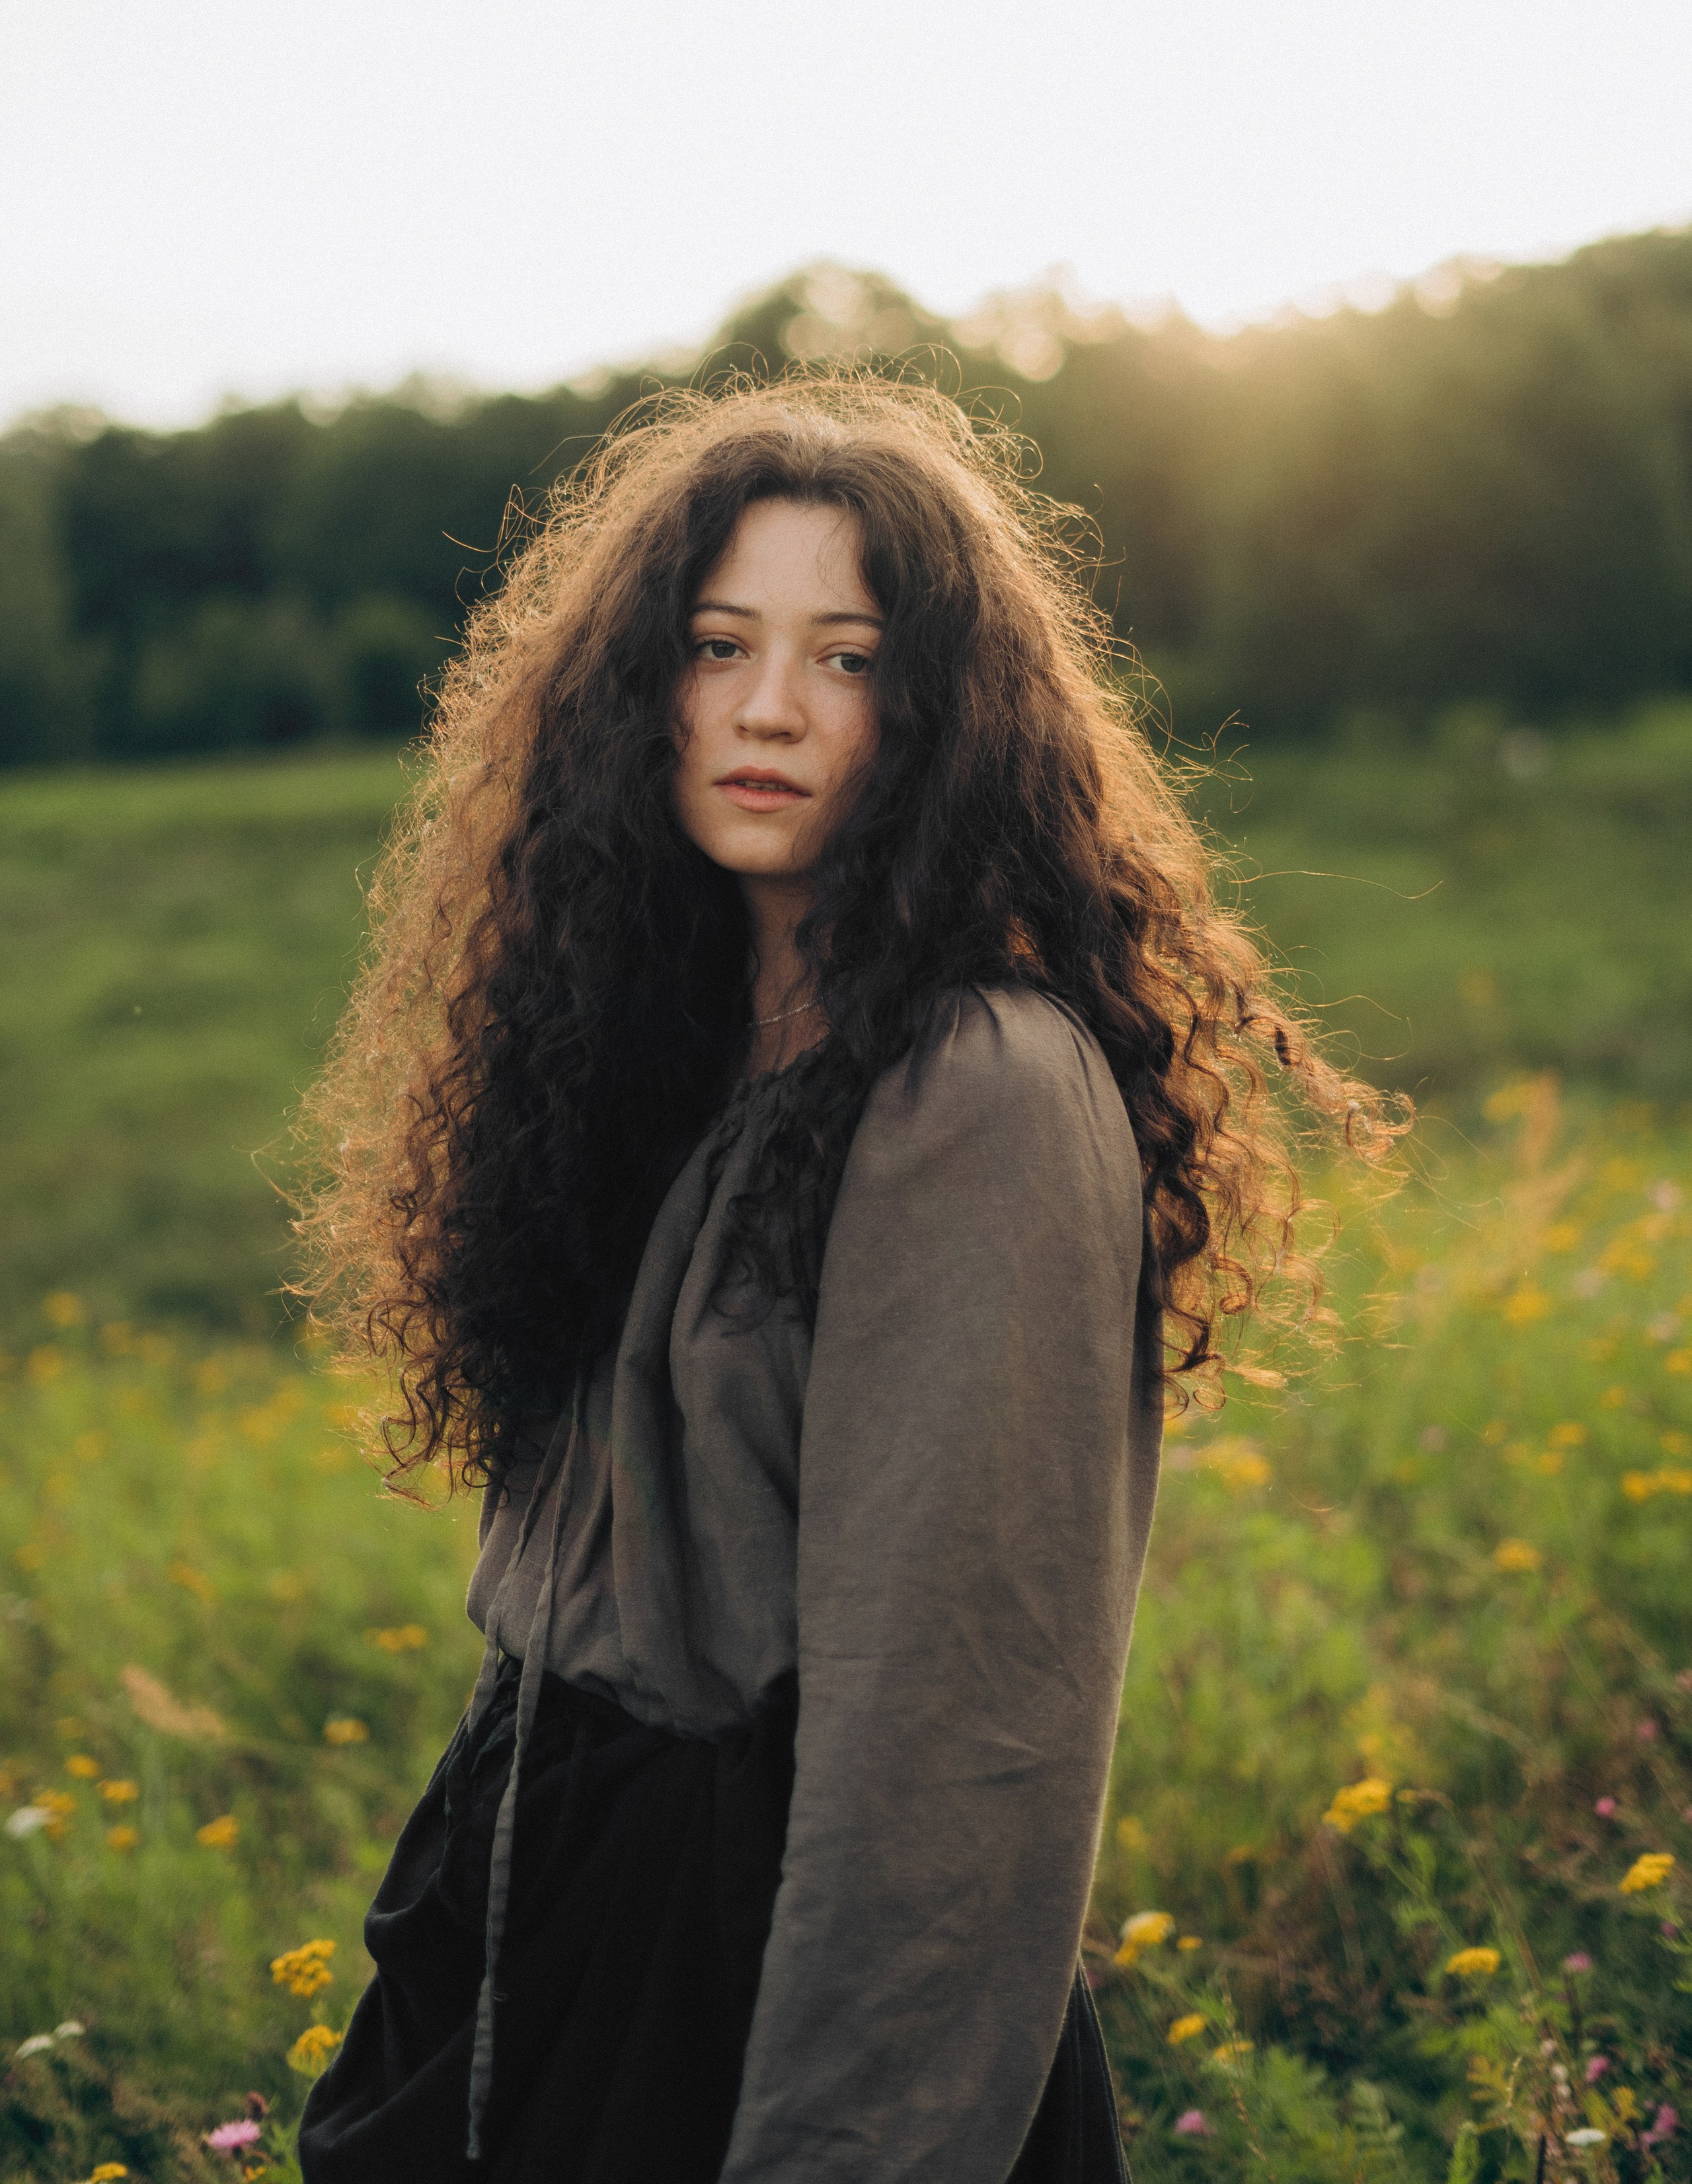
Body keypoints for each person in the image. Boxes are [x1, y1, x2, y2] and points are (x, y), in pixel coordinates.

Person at [293, 374, 1394, 2183]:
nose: (772, 710)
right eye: (719, 644)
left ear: (946, 711)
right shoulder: (646, 1040)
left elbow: (957, 1741)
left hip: (772, 1975)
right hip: (537, 1904)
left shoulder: (977, 1092)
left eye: (851, 658)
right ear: (639, 685)